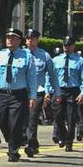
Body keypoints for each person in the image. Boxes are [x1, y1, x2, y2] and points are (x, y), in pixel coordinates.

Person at [0, 28, 37, 162]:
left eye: (13, 37)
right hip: (1, 94)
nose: (9, 39)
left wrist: (32, 96)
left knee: (15, 123)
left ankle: (13, 151)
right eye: (8, 37)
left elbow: (31, 78)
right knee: (1, 120)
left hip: (18, 95)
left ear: (19, 41)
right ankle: (14, 139)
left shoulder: (27, 56)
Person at [24, 29, 60, 157]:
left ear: (37, 40)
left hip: (38, 91)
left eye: (31, 38)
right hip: (22, 92)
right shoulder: (21, 54)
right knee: (22, 119)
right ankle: (33, 143)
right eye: (27, 38)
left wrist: (56, 92)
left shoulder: (44, 55)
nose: (29, 40)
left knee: (32, 119)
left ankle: (30, 145)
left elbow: (53, 75)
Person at [51, 36, 83, 151]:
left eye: (69, 45)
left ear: (73, 46)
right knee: (58, 116)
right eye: (65, 45)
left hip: (73, 91)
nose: (66, 47)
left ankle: (69, 142)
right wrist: (49, 90)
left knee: (71, 118)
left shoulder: (80, 61)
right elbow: (50, 76)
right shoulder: (56, 60)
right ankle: (63, 135)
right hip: (59, 90)